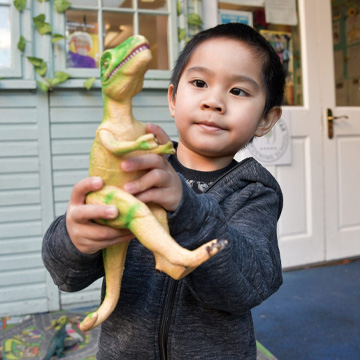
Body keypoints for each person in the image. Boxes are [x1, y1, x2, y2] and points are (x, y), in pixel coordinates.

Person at [42, 22, 285, 359]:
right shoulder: (138, 166)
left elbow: (250, 284)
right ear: (173, 99)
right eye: (199, 83)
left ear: (265, 119)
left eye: (238, 91)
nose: (214, 101)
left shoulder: (256, 192)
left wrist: (187, 208)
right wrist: (74, 239)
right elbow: (64, 274)